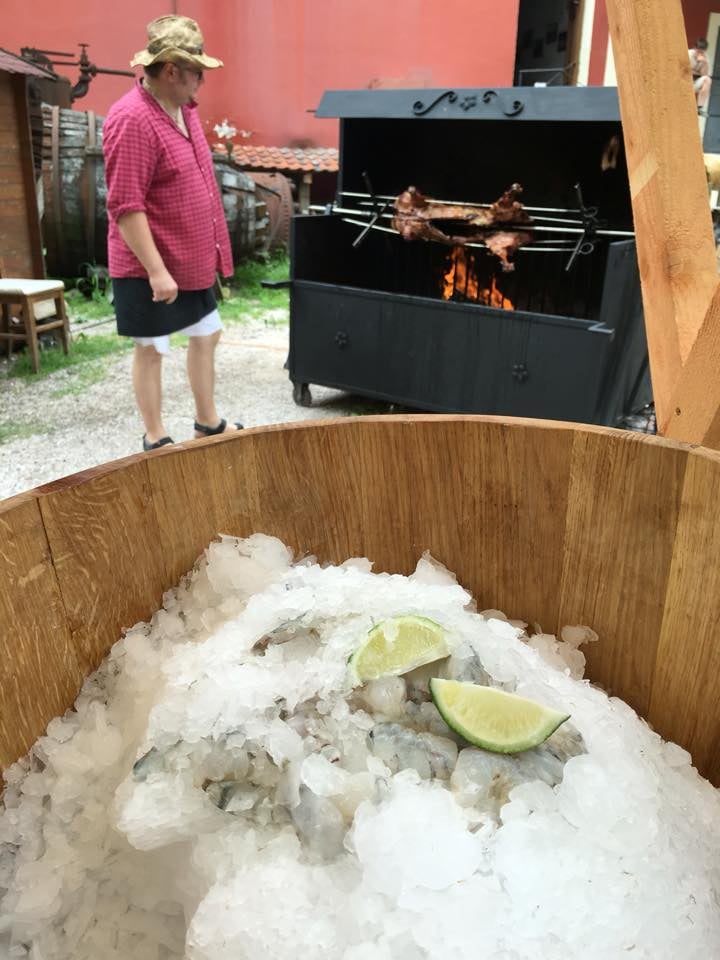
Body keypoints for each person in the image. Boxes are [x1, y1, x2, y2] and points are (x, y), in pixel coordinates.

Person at [103, 15, 241, 451]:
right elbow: (126, 207)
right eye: (197, 72)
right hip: (152, 268)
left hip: (189, 261)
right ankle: (156, 437)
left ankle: (206, 422)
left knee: (207, 333)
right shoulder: (131, 120)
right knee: (150, 348)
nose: (202, 80)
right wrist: (157, 272)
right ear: (170, 71)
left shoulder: (182, 109)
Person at [689, 38, 712, 114]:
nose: (700, 54)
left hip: (695, 82)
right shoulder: (689, 54)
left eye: (702, 52)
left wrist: (704, 63)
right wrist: (697, 72)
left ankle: (699, 108)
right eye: (698, 51)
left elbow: (704, 75)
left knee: (707, 80)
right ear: (695, 48)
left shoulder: (705, 58)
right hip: (683, 80)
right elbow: (685, 70)